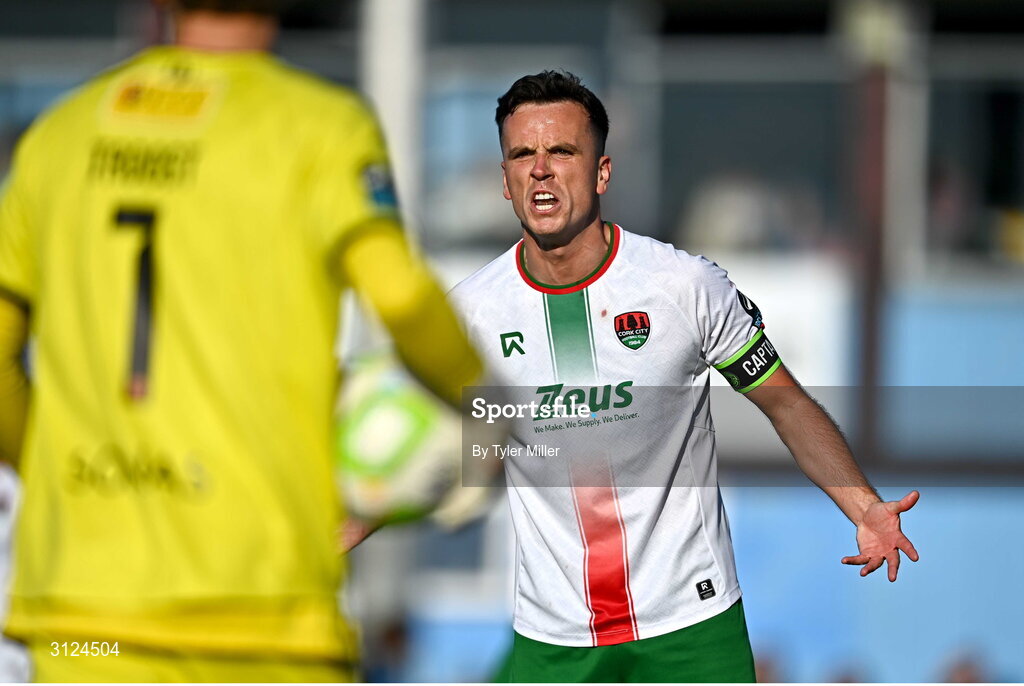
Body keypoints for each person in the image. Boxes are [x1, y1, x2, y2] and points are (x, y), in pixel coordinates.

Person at [0, 1, 483, 681]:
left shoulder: (58, 137)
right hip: (267, 613)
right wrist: (496, 416)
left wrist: (51, 474)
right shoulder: (321, 126)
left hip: (85, 628)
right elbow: (404, 300)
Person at [448, 70, 919, 682]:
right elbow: (433, 457)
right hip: (552, 640)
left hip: (691, 629)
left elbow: (787, 405)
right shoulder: (468, 315)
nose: (541, 169)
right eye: (522, 155)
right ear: (505, 182)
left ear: (601, 171)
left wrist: (862, 505)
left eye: (562, 151)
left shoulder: (683, 287)